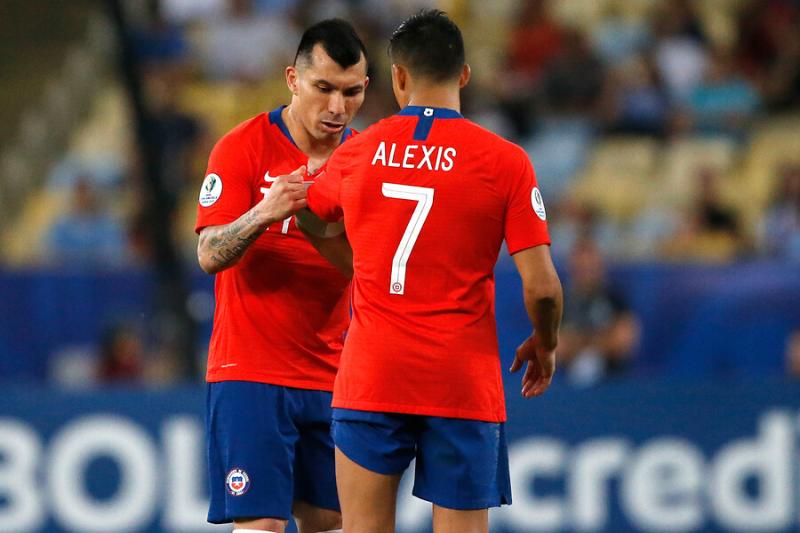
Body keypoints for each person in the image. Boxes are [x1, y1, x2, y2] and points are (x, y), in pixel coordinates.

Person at [293, 10, 562, 533]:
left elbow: (306, 205)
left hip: (373, 375)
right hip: (460, 381)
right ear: (464, 75)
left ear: (397, 77)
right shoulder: (505, 162)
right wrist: (545, 342)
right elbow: (544, 287)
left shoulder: (360, 151)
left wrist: (353, 263)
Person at [194, 19, 368, 533]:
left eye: (351, 92)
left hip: (334, 374)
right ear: (293, 79)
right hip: (250, 370)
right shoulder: (241, 147)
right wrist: (262, 213)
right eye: (324, 89)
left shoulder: (366, 160)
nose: (337, 107)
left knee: (329, 518)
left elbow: (367, 268)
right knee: (262, 524)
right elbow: (208, 253)